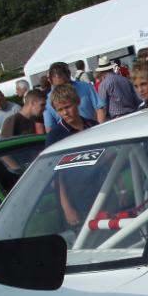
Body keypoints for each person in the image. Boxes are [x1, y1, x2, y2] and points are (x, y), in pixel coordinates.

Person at [45, 84, 99, 227]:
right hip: (77, 198)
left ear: (78, 102)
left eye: (68, 107)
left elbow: (110, 158)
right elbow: (56, 175)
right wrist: (67, 207)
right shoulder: (55, 136)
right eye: (60, 110)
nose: (65, 113)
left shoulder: (93, 126)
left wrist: (122, 190)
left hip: (103, 189)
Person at [43, 62, 106, 132]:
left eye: (65, 84)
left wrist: (99, 130)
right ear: (51, 82)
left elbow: (100, 109)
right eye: (58, 86)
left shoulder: (85, 87)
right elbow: (50, 128)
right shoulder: (48, 101)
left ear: (69, 74)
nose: (63, 89)